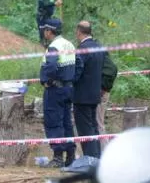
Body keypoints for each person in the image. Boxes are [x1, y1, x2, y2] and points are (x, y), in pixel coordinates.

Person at [39, 18, 76, 167]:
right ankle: (71, 155)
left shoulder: (53, 47)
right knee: (67, 122)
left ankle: (58, 158)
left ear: (49, 31)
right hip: (68, 88)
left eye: (45, 30)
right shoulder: (69, 44)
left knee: (54, 122)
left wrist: (47, 81)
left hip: (55, 89)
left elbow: (52, 66)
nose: (44, 33)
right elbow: (78, 63)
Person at [72, 21, 103, 159]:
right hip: (95, 94)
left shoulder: (82, 49)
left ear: (79, 31)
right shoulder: (98, 47)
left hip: (82, 96)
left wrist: (68, 79)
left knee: (85, 129)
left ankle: (90, 159)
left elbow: (77, 72)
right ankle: (97, 156)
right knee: (94, 127)